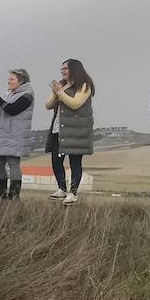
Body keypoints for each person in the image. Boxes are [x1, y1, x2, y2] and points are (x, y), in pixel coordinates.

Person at [44, 59, 96, 206]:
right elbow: (48, 105)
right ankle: (61, 188)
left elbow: (75, 103)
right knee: (56, 160)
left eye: (65, 69)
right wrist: (56, 93)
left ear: (75, 69)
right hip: (58, 129)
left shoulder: (84, 84)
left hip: (76, 131)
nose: (62, 71)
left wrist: (60, 92)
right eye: (62, 69)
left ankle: (72, 193)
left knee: (75, 161)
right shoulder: (63, 85)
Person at [0, 69, 35, 200]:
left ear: (21, 81)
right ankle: (0, 191)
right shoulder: (9, 94)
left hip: (15, 134)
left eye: (12, 79)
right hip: (1, 134)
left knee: (13, 163)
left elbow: (12, 109)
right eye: (9, 79)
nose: (9, 81)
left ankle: (14, 194)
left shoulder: (27, 94)